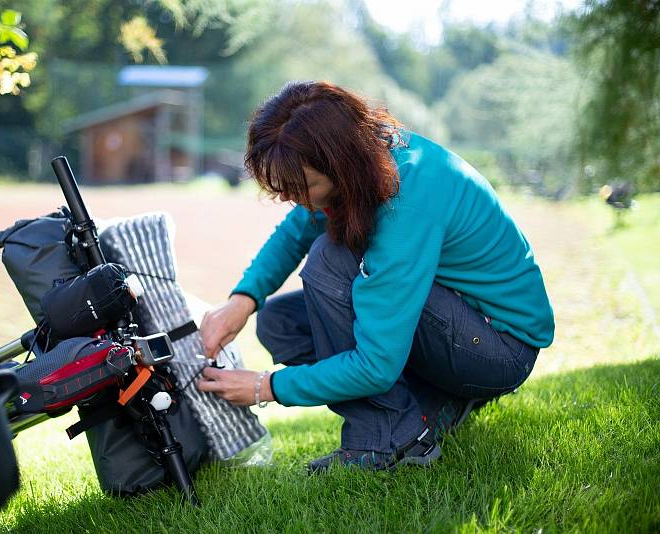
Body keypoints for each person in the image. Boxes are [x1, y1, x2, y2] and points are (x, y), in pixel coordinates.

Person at [195, 81, 554, 473]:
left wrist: (265, 387)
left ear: (338, 166)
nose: (285, 196)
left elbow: (376, 364)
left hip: (498, 349)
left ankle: (389, 440)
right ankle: (432, 406)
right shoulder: (365, 158)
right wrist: (242, 301)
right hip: (457, 325)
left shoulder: (407, 201)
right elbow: (296, 229)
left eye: (298, 187)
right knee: (281, 324)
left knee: (330, 264)